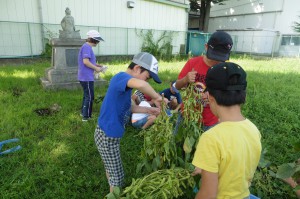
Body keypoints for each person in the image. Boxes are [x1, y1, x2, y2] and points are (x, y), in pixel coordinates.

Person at [94, 52, 167, 193]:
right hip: (107, 136)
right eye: (147, 77)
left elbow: (127, 107)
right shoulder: (121, 77)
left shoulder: (125, 86)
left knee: (111, 167)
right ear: (138, 68)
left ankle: (111, 187)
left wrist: (149, 111)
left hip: (105, 133)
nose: (147, 81)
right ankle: (113, 193)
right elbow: (141, 84)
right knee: (118, 176)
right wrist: (157, 97)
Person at [192, 62, 262, 199]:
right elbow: (236, 161)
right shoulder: (253, 130)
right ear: (244, 97)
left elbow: (208, 195)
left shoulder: (211, 138)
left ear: (210, 98)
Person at [175, 31, 233, 131]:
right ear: (206, 47)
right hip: (187, 115)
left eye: (221, 58)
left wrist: (212, 97)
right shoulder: (193, 63)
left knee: (205, 145)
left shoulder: (225, 70)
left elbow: (227, 96)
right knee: (178, 142)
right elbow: (177, 86)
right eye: (214, 56)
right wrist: (185, 79)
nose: (217, 61)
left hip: (209, 122)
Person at [78, 30, 105, 121]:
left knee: (86, 95)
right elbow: (85, 62)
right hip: (86, 77)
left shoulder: (87, 47)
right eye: (97, 40)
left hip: (85, 76)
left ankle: (83, 113)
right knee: (90, 96)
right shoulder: (86, 47)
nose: (98, 42)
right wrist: (96, 69)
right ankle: (86, 117)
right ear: (92, 39)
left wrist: (98, 65)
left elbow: (89, 61)